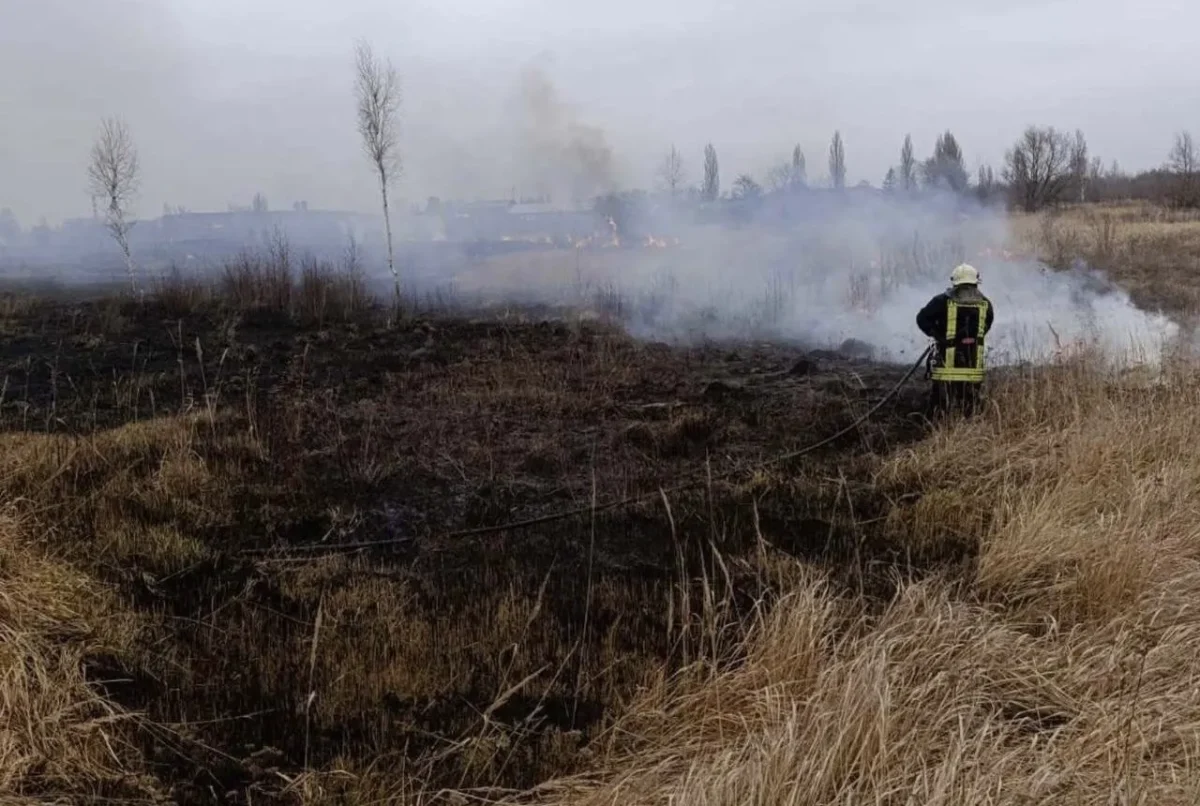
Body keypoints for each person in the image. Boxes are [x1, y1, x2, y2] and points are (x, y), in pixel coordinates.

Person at [916, 263, 994, 420]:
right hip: (973, 362)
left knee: (940, 401)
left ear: (954, 283)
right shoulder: (985, 304)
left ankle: (939, 427)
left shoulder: (941, 301)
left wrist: (938, 336)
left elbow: (922, 318)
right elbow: (986, 325)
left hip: (946, 362)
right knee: (970, 400)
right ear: (975, 283)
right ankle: (969, 427)